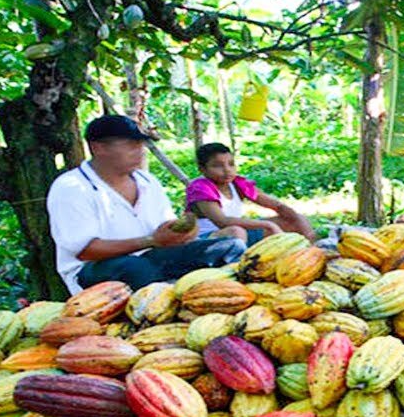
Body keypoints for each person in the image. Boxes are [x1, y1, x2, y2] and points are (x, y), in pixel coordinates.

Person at [46, 116, 245, 295]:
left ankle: (223, 298)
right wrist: (151, 240)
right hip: (94, 270)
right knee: (136, 268)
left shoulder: (147, 181)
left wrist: (182, 233)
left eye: (141, 145)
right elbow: (86, 251)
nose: (140, 152)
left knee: (229, 247)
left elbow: (164, 226)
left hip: (152, 257)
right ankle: (166, 307)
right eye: (132, 145)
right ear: (98, 148)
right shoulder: (72, 188)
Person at [185, 142, 316, 244]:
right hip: (208, 240)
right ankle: (235, 267)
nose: (227, 170)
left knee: (294, 220)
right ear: (202, 169)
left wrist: (299, 222)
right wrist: (268, 225)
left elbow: (277, 206)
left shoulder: (237, 183)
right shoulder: (200, 188)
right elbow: (223, 222)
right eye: (218, 166)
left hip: (240, 236)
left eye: (231, 164)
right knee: (236, 231)